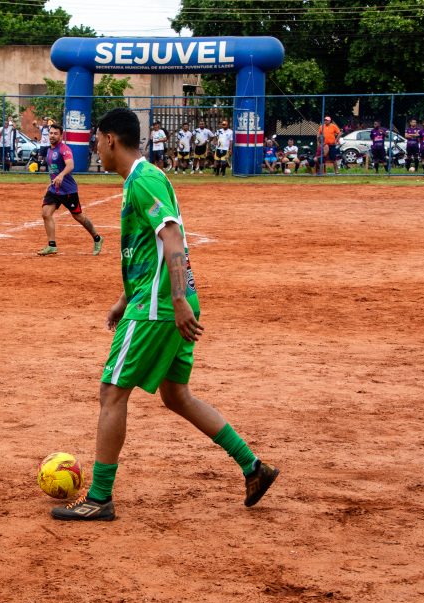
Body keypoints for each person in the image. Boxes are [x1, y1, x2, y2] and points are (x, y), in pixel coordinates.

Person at [50, 108, 278, 521]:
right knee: (176, 395)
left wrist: (175, 300)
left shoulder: (144, 179)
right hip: (155, 300)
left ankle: (100, 497)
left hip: (158, 307)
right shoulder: (139, 181)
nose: (95, 148)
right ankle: (253, 466)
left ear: (110, 139)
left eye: (97, 139)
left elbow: (172, 237)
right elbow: (149, 251)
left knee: (112, 392)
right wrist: (125, 297)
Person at [37, 124, 103, 257]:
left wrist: (61, 175)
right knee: (46, 213)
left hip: (68, 190)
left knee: (78, 216)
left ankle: (97, 238)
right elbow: (53, 170)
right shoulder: (48, 150)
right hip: (54, 189)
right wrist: (51, 183)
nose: (52, 136)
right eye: (51, 133)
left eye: (56, 133)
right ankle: (52, 246)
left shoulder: (64, 149)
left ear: (61, 136)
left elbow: (71, 165)